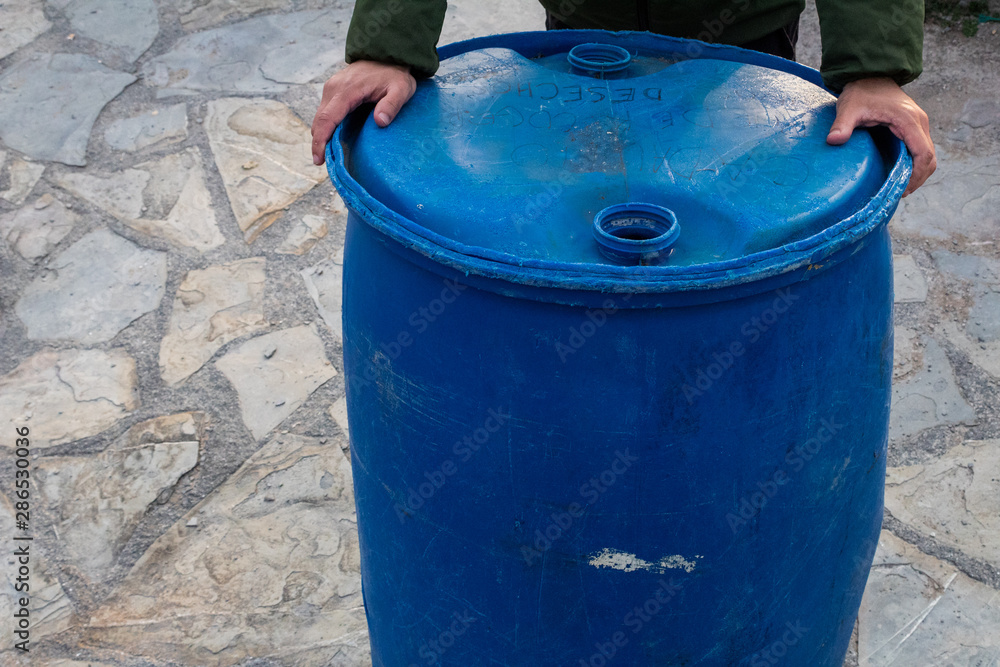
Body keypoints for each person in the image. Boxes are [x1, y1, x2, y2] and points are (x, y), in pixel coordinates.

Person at [311, 0, 936, 196]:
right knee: (572, 212)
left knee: (720, 233)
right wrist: (389, 43)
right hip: (581, 36)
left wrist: (873, 67)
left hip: (741, 43)